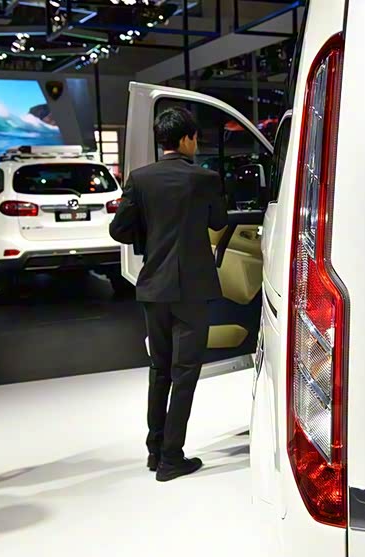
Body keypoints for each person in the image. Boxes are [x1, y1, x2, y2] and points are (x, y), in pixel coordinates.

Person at [109, 107, 228, 483]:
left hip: (154, 286)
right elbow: (219, 221)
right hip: (193, 289)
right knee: (185, 373)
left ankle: (155, 450)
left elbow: (118, 230)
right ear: (187, 138)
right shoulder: (205, 178)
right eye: (196, 137)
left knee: (160, 370)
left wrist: (151, 235)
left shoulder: (140, 179)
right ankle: (172, 458)